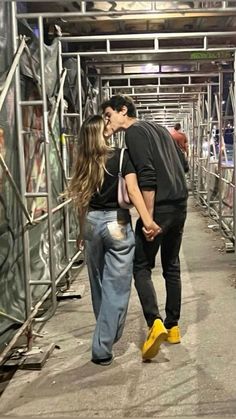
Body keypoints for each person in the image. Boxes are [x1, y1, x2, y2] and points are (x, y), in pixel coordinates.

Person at [66, 114, 160, 366]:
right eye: (106, 124)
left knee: (98, 283)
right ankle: (102, 347)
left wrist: (80, 231)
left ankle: (107, 332)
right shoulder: (120, 156)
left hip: (92, 223)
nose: (110, 125)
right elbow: (132, 191)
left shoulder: (83, 160)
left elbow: (80, 199)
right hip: (117, 223)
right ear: (102, 133)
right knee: (116, 287)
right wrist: (147, 220)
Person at [101, 95, 188, 361]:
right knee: (171, 265)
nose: (107, 121)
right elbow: (183, 165)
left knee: (141, 266)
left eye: (108, 115)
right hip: (180, 204)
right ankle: (173, 327)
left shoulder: (134, 133)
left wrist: (147, 218)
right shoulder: (160, 130)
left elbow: (147, 177)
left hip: (159, 207)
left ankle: (155, 323)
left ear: (123, 110)